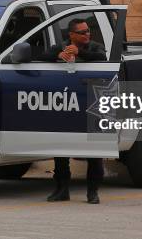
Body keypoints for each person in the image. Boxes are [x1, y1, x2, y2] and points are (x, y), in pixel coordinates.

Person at [44, 18, 106, 204]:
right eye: (82, 32)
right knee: (61, 148)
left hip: (91, 102)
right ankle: (62, 189)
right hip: (67, 103)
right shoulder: (61, 47)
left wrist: (81, 53)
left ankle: (92, 192)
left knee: (94, 151)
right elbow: (42, 57)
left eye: (88, 31)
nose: (87, 34)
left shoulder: (95, 47)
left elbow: (101, 59)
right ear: (71, 35)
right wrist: (58, 57)